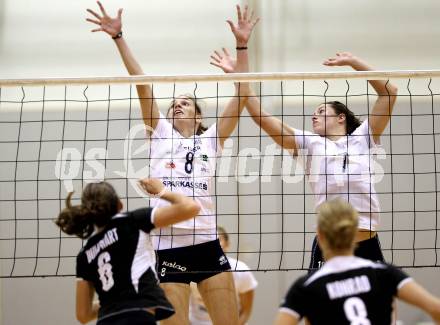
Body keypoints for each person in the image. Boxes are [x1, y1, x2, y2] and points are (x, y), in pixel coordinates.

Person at [86, 2, 259, 324]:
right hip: (167, 246)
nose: (177, 106)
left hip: (206, 242)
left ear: (198, 115)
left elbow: (244, 91)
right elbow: (141, 82)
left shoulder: (212, 139)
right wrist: (118, 36)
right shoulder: (159, 132)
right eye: (174, 104)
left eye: (185, 103)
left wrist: (242, 45)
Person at [242, 52, 398, 268]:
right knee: (318, 302)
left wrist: (354, 62)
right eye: (314, 113)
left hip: (367, 241)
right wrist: (241, 80)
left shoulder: (363, 137)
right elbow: (260, 117)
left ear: (341, 117)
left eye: (322, 111)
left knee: (382, 301)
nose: (314, 116)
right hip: (330, 243)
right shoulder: (309, 143)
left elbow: (389, 93)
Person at [55, 178, 200, 325]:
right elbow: (191, 207)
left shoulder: (84, 254)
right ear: (119, 204)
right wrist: (162, 192)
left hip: (106, 319)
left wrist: (113, 300)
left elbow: (83, 315)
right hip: (137, 316)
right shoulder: (133, 221)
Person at [273, 199, 440, 325]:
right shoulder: (384, 273)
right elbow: (436, 308)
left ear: (320, 235)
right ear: (354, 234)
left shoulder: (306, 287)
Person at [189, 226, 258, 325]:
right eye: (207, 240)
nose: (212, 244)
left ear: (227, 244)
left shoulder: (241, 270)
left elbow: (246, 311)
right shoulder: (189, 270)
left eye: (218, 240)